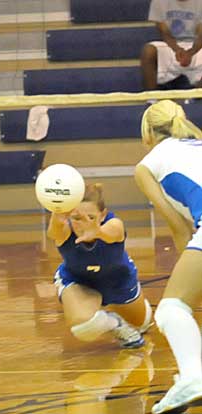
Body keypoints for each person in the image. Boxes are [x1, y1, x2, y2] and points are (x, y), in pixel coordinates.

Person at [135, 99, 202, 414]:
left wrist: (186, 283)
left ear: (147, 132)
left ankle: (193, 377)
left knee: (172, 309)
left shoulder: (148, 165)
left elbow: (179, 228)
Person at [47, 184, 153, 349]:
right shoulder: (64, 230)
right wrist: (56, 212)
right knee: (84, 328)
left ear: (103, 214)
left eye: (90, 217)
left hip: (118, 282)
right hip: (79, 282)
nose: (83, 223)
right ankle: (114, 323)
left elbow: (114, 233)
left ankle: (126, 311)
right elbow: (53, 232)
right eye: (76, 218)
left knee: (142, 324)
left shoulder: (114, 224)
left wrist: (98, 232)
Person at [141, 0, 202, 90]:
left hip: (195, 45)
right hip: (170, 45)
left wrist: (191, 52)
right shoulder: (159, 2)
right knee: (148, 50)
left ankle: (198, 98)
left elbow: (200, 34)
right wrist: (177, 49)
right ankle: (152, 97)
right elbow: (164, 31)